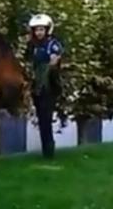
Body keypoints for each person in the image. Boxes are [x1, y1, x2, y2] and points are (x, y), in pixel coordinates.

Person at [25, 13, 63, 159]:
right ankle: (45, 151)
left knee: (46, 119)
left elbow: (54, 60)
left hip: (49, 86)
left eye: (41, 29)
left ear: (47, 29)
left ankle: (49, 152)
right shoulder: (32, 46)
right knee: (41, 119)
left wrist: (44, 69)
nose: (39, 32)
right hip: (36, 86)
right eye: (36, 29)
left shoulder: (52, 44)